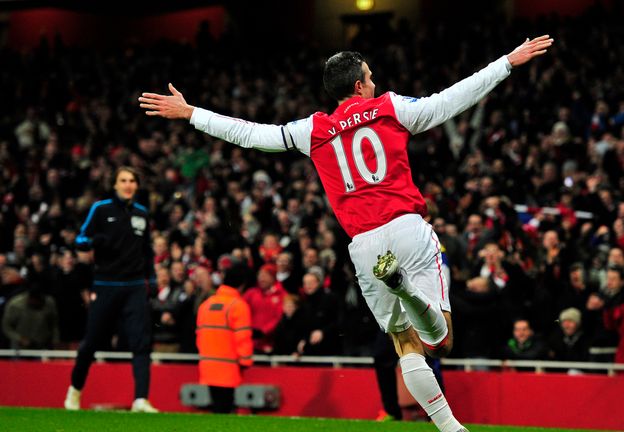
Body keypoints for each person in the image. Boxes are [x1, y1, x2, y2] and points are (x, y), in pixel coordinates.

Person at [139, 35, 553, 432]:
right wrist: (506, 63)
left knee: (403, 343)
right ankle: (409, 293)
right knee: (440, 342)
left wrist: (192, 113)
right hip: (407, 228)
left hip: (365, 245)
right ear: (359, 85)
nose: (375, 84)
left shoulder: (312, 130)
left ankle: (451, 428)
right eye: (370, 78)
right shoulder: (391, 108)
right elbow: (450, 100)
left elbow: (250, 134)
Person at [64, 167, 158, 413]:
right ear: (115, 185)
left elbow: (147, 251)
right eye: (123, 180)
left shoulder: (142, 214)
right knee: (91, 342)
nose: (127, 185)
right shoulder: (101, 209)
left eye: (132, 181)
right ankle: (74, 391)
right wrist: (95, 242)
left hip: (135, 286)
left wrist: (152, 279)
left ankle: (141, 399)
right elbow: (80, 240)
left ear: (136, 186)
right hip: (106, 285)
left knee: (141, 342)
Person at [196, 263, 253, 414]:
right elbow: (243, 338)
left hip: (208, 365)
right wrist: (245, 361)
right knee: (226, 408)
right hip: (228, 367)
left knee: (217, 407)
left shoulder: (206, 305)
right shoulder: (238, 306)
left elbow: (199, 337)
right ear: (242, 285)